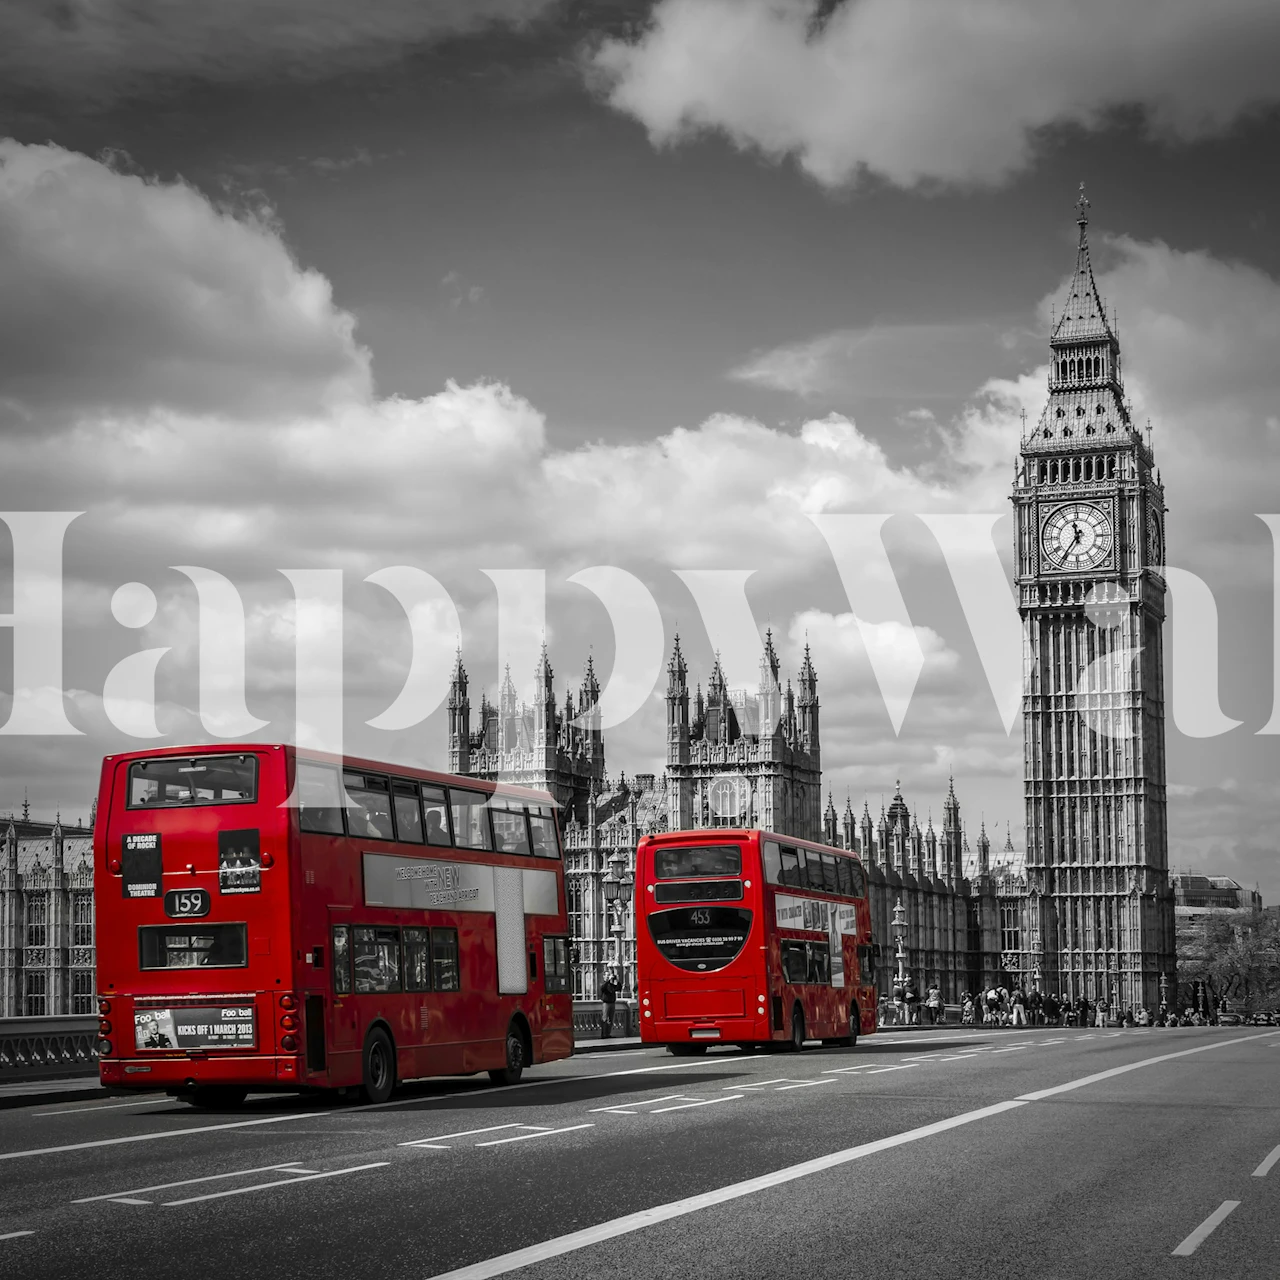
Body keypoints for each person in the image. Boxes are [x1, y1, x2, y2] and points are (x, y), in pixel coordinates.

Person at [599, 971, 618, 1039]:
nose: (608, 976)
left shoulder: (611, 984)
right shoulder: (603, 983)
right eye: (607, 975)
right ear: (604, 976)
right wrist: (608, 981)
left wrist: (616, 980)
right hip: (606, 1003)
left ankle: (608, 1034)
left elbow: (618, 988)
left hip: (612, 1002)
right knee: (605, 1019)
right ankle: (603, 1034)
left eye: (609, 975)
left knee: (610, 1019)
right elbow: (602, 988)